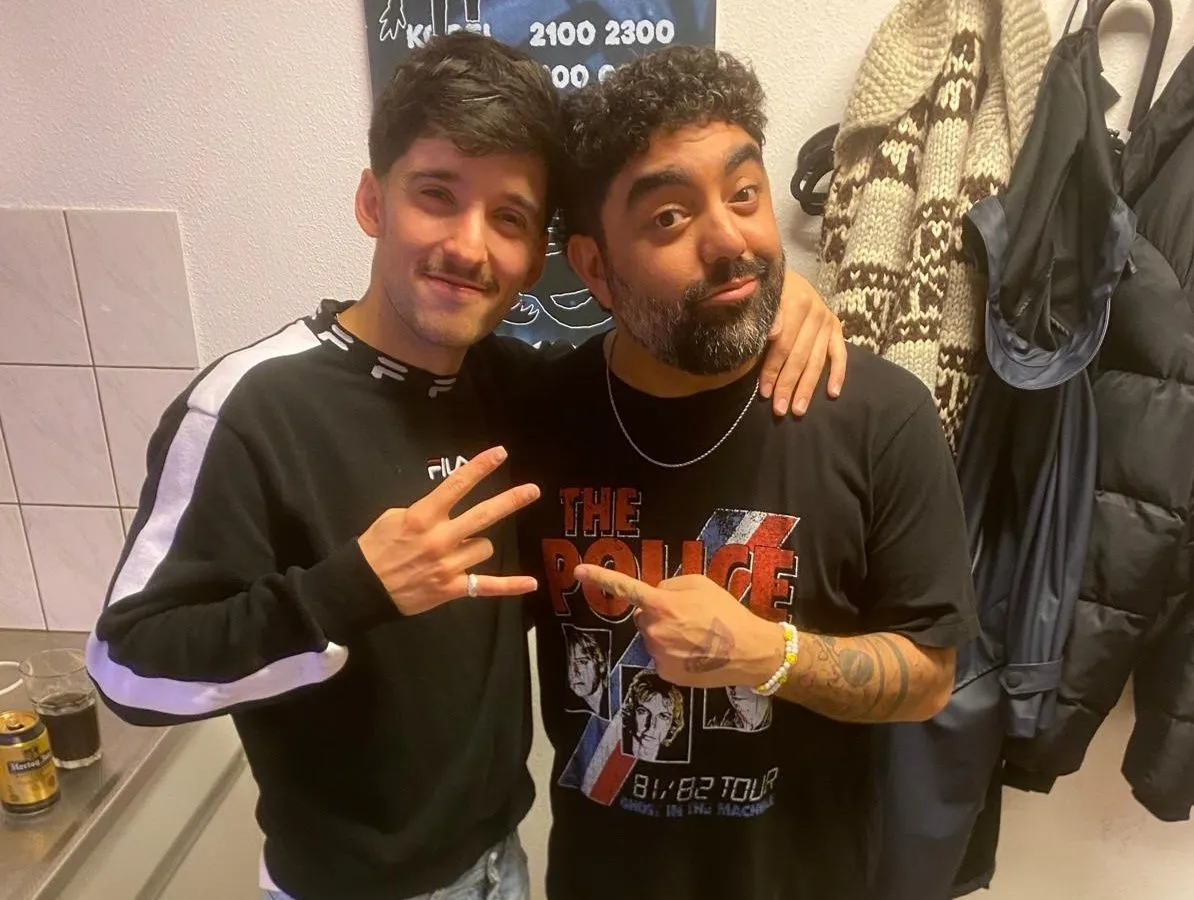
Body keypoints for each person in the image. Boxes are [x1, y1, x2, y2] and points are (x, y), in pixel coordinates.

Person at [84, 33, 844, 900]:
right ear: (373, 200)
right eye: (436, 195)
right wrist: (348, 590)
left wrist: (774, 295)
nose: (469, 246)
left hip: (501, 868)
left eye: (509, 218)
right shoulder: (252, 407)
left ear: (538, 255)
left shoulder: (515, 389)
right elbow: (126, 670)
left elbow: (657, 341)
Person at [512, 45, 977, 900]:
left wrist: (766, 654)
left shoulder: (880, 415)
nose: (730, 241)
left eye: (743, 194)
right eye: (668, 218)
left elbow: (929, 677)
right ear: (594, 267)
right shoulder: (534, 421)